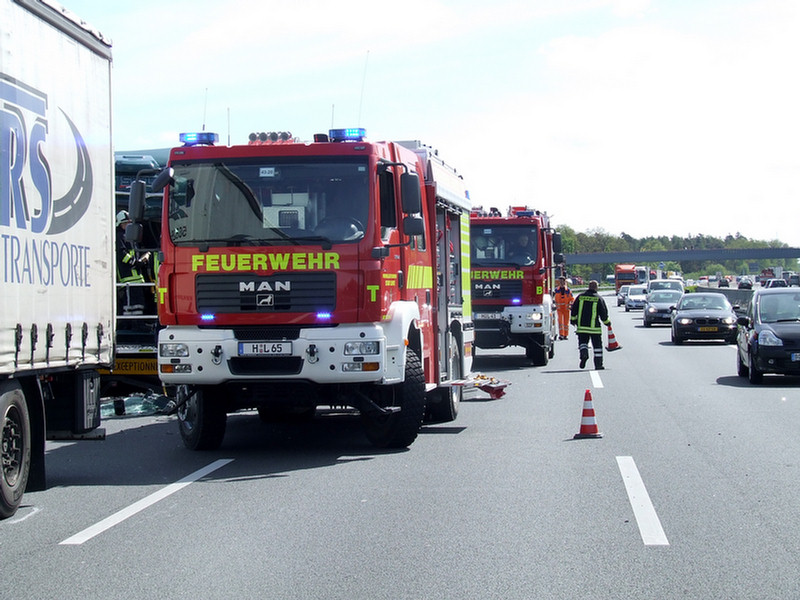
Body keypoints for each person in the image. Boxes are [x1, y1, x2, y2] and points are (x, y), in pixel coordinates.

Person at [115, 210, 150, 317]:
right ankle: (133, 324)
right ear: (120, 224)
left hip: (136, 278)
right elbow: (122, 254)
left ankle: (138, 324)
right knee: (130, 305)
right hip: (128, 278)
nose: (129, 225)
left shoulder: (130, 238)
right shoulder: (120, 236)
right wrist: (135, 263)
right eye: (127, 223)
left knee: (138, 304)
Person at [570, 279, 611, 370]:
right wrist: (607, 323)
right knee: (597, 347)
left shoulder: (580, 297)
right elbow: (603, 314)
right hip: (595, 329)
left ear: (588, 287)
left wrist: (573, 321)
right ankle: (598, 365)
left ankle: (584, 355)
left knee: (583, 343)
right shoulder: (599, 298)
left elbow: (573, 310)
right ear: (596, 288)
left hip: (582, 328)